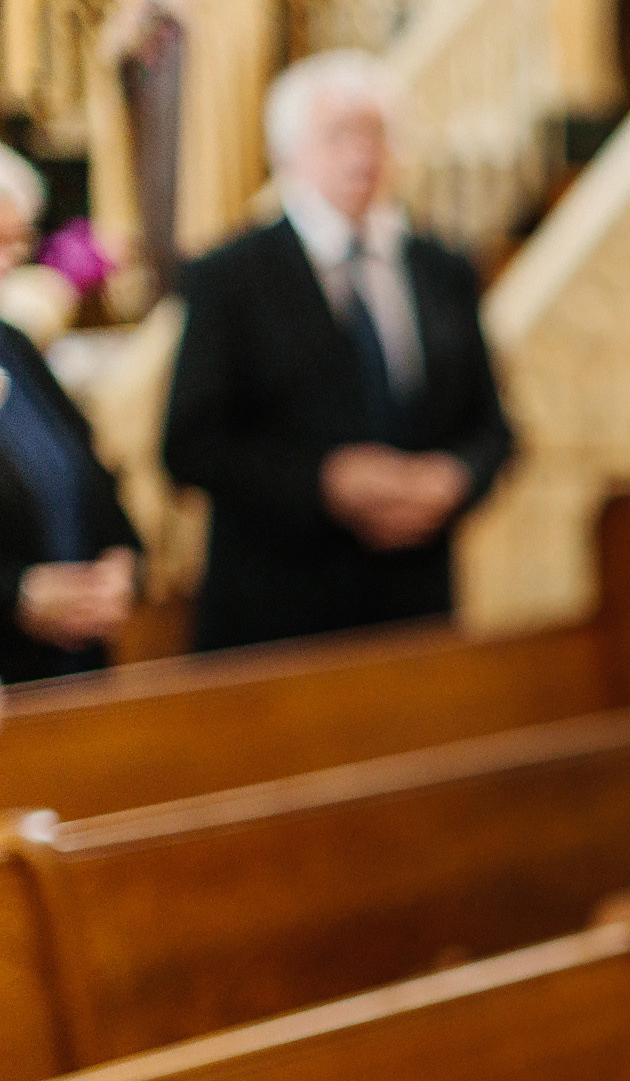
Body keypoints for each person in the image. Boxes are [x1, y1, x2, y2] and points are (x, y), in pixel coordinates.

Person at [163, 50, 512, 652]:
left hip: (414, 606)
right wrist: (325, 481)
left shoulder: (440, 269)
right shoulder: (233, 277)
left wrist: (455, 478)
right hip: (278, 615)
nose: (361, 154)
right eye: (337, 136)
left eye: (376, 134)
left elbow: (493, 428)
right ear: (287, 154)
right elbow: (191, 446)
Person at [0, 144, 138, 681]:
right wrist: (16, 596)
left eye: (15, 242)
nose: (8, 263)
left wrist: (118, 557)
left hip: (71, 667)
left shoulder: (12, 342)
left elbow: (82, 461)